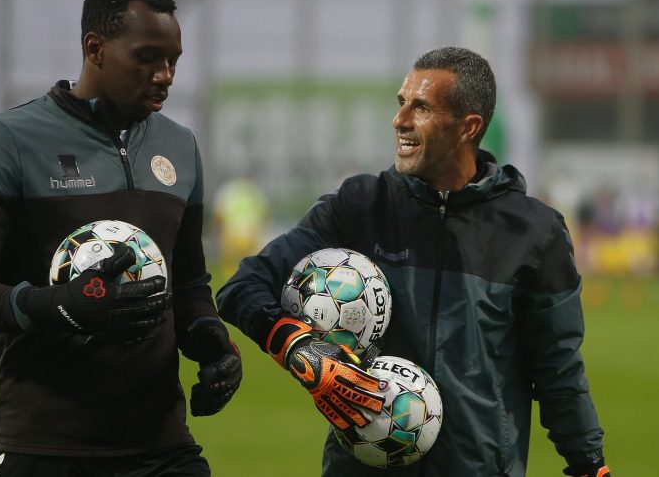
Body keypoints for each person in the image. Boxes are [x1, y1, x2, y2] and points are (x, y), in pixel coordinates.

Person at [217, 47, 610, 477]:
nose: (399, 120)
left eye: (420, 107)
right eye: (401, 102)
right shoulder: (360, 206)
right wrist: (298, 347)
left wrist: (589, 465)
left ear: (468, 127)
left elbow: (558, 370)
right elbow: (244, 285)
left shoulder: (534, 232)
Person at [0, 0, 241, 475]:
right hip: (43, 447)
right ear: (95, 49)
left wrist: (207, 335)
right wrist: (59, 306)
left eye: (173, 60)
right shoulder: (9, 140)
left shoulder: (179, 147)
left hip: (161, 448)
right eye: (147, 58)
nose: (165, 75)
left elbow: (186, 282)